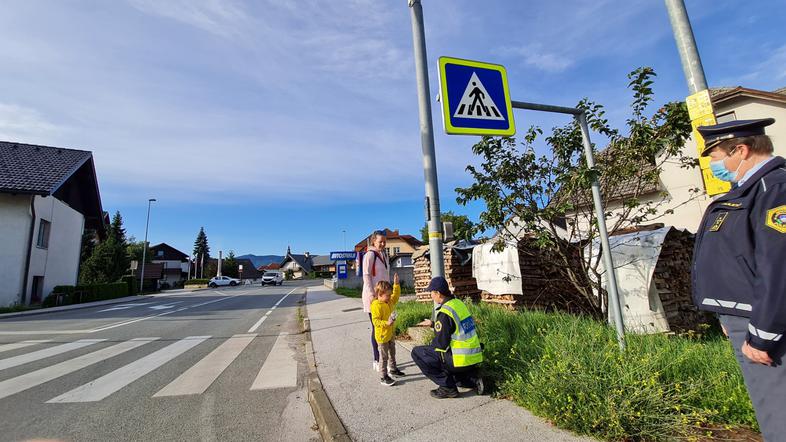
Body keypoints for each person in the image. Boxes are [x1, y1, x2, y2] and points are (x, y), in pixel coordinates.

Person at [692, 118, 786, 441]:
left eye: (716, 157)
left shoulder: (773, 189)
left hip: (768, 329)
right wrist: (726, 314)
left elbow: (779, 266)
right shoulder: (747, 190)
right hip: (747, 321)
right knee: (770, 410)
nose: (715, 165)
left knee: (779, 414)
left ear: (740, 151)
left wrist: (762, 334)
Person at [411, 276, 484, 399]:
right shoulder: (458, 304)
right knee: (449, 365)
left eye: (431, 293)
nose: (431, 296)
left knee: (418, 353)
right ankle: (473, 380)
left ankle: (447, 388)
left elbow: (440, 344)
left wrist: (430, 349)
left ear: (438, 293)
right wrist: (434, 324)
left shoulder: (445, 313)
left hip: (459, 360)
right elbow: (456, 327)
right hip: (474, 357)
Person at [362, 230, 390, 371]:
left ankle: (386, 360)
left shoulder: (383, 255)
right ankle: (376, 359)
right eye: (380, 241)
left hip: (384, 297)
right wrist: (372, 294)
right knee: (376, 327)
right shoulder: (370, 255)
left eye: (385, 241)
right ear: (374, 241)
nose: (383, 244)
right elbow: (366, 275)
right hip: (373, 298)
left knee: (386, 327)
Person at [371, 274, 405, 386]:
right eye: (387, 295)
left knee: (392, 352)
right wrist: (386, 323)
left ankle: (393, 369)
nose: (390, 297)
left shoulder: (389, 301)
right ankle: (383, 376)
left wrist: (396, 284)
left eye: (390, 294)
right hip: (382, 336)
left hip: (390, 333)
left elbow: (396, 295)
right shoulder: (376, 305)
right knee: (384, 356)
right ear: (379, 295)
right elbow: (375, 321)